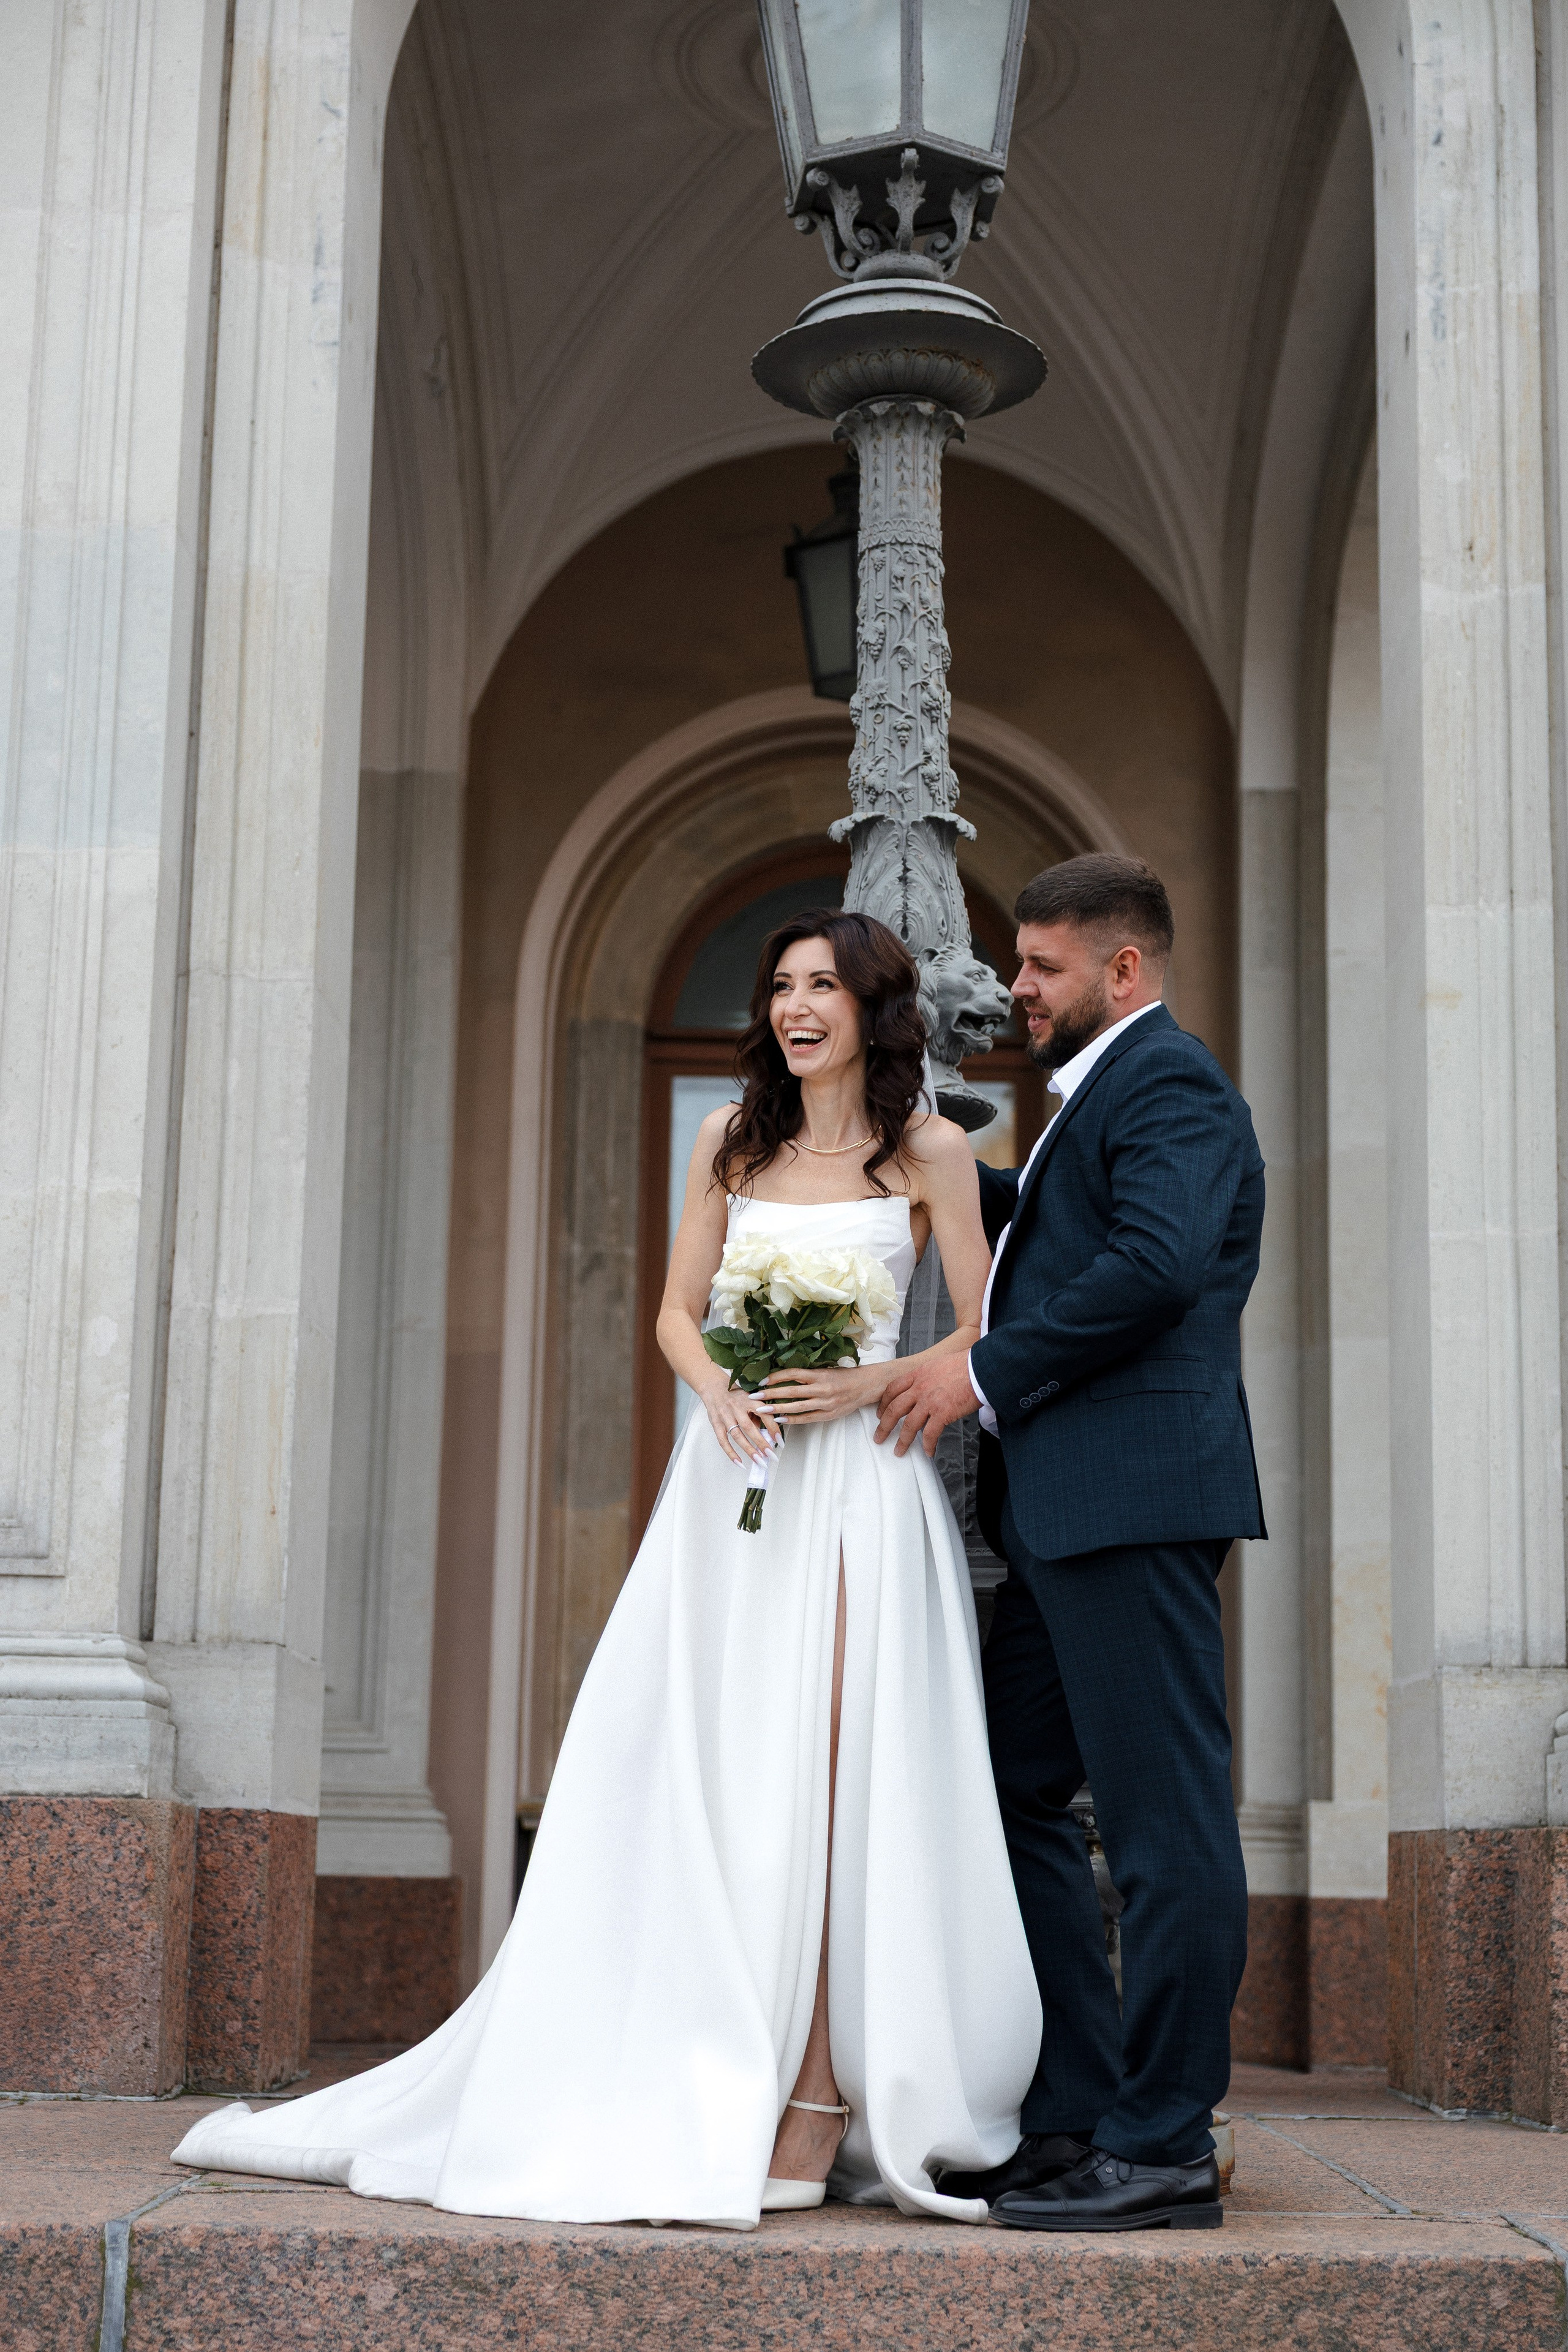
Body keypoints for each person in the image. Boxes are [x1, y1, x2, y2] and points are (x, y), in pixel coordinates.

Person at [170, 908, 1039, 2228]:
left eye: (823, 985)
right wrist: (720, 1395)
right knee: (719, 1775)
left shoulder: (930, 1149)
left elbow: (975, 1331)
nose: (797, 1006)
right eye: (781, 985)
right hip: (733, 1487)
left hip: (860, 1493)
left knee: (835, 1783)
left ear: (874, 1007)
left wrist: (864, 1377)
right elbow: (673, 1312)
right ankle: (704, 2066)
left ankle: (817, 2094)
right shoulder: (726, 1140)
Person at [879, 853, 1265, 2234]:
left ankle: (1162, 2143)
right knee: (1005, 1787)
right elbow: (1050, 1241)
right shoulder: (1082, 1106)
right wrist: (901, 1166)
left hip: (1131, 1499)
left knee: (1161, 1831)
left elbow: (1153, 1267)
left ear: (1123, 970)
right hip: (1056, 1514)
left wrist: (975, 1374)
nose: (1015, 988)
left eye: (1040, 967)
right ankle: (1075, 2115)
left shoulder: (1168, 1083)